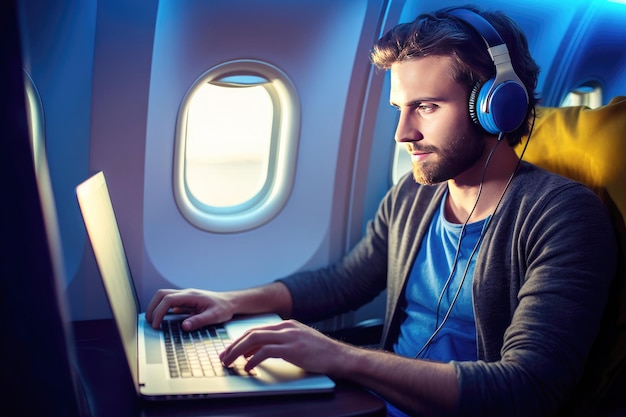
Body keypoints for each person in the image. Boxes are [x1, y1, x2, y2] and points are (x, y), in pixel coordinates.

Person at [146, 5, 617, 416]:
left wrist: (343, 358)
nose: (403, 133)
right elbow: (343, 281)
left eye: (427, 107)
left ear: (497, 108)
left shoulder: (564, 218)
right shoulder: (412, 197)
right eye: (400, 108)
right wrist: (232, 301)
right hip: (377, 402)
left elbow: (527, 390)